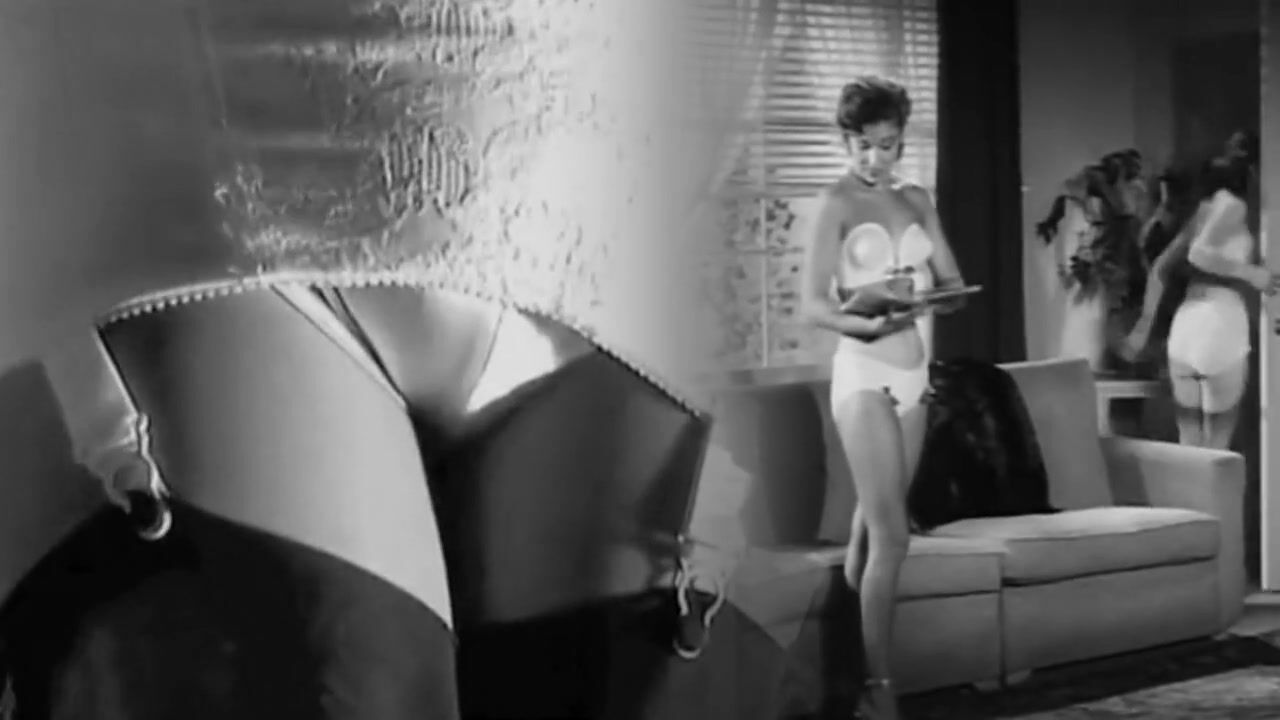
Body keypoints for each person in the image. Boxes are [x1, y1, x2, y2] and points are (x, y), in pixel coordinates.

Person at [799, 76, 967, 720]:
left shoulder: (917, 199)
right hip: (864, 373)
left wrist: (935, 298)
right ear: (846, 141)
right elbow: (814, 305)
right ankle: (879, 688)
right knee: (894, 537)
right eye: (863, 145)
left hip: (913, 376)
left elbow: (950, 283)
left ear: (902, 142)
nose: (875, 158)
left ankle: (844, 675)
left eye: (888, 145)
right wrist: (863, 322)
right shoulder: (835, 203)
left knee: (871, 533)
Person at [1126, 141, 1280, 448]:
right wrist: (1252, 274)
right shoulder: (1233, 205)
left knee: (1190, 448)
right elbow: (1199, 254)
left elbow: (1161, 268)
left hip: (1186, 331)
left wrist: (1143, 328)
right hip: (1220, 327)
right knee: (1217, 450)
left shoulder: (1202, 212)